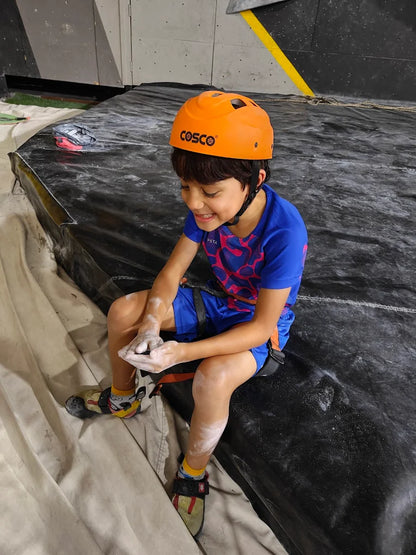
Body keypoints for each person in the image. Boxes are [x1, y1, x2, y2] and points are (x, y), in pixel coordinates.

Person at [65, 90, 308, 538]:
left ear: (256, 178)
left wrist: (181, 352)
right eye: (186, 187)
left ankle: (193, 473)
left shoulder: (285, 231)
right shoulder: (208, 212)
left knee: (212, 378)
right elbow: (172, 274)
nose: (195, 203)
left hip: (259, 327)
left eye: (210, 191)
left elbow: (259, 327)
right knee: (124, 312)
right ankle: (124, 396)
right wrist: (153, 320)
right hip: (223, 304)